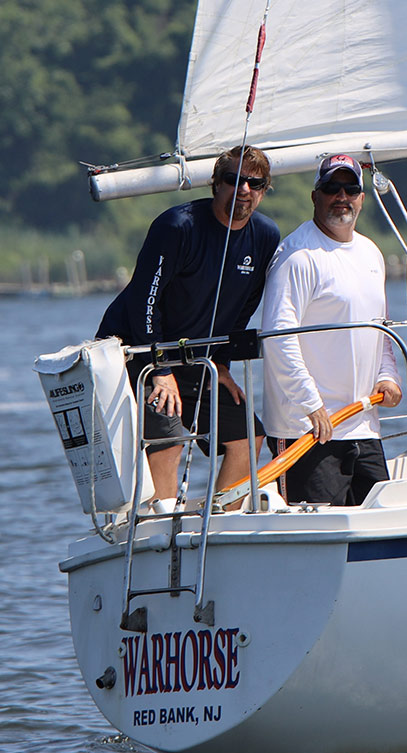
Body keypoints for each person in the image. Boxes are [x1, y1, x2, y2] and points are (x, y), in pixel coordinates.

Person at [97, 145, 280, 503]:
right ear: (216, 183)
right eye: (234, 179)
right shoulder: (177, 227)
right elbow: (143, 300)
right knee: (169, 438)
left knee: (248, 434)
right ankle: (162, 521)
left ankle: (219, 521)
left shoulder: (265, 236)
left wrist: (222, 364)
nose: (243, 189)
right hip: (141, 348)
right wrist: (161, 368)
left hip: (198, 357)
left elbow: (244, 308)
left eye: (254, 183)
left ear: (263, 190)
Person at [261, 153, 402, 506]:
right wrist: (312, 404)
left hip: (362, 424)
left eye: (350, 188)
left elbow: (379, 329)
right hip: (307, 429)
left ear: (362, 198)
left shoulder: (371, 253)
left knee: (378, 526)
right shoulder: (297, 256)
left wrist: (388, 376)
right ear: (315, 196)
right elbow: (278, 339)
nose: (342, 196)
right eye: (331, 188)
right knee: (313, 536)